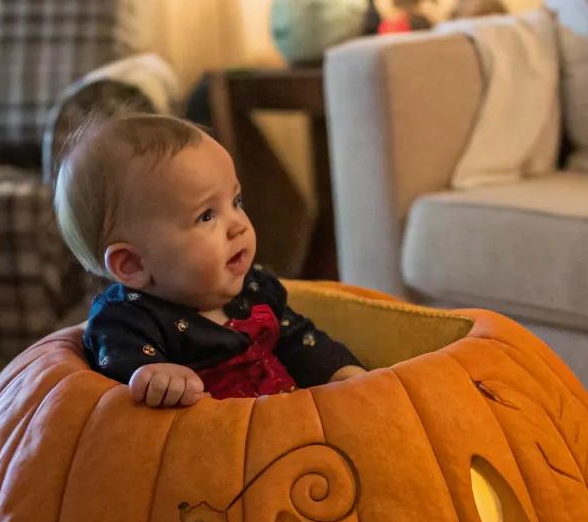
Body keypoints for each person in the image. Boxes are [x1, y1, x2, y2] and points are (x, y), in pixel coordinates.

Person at [53, 110, 366, 406]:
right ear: (133, 264)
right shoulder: (127, 322)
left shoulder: (255, 289)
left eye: (236, 201)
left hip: (287, 427)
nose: (238, 225)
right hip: (213, 449)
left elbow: (299, 340)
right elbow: (118, 368)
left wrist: (340, 372)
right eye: (206, 216)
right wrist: (152, 376)